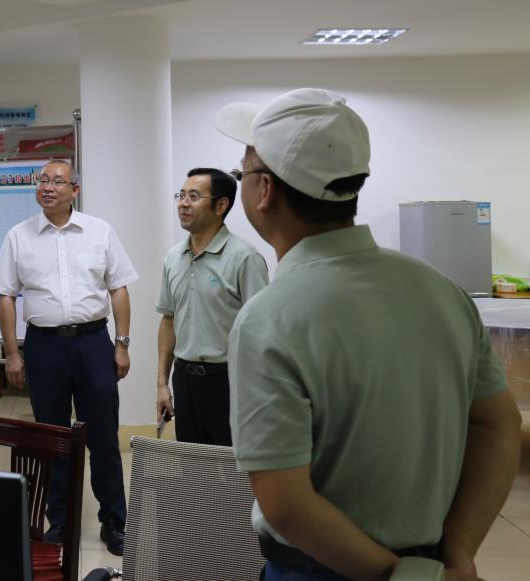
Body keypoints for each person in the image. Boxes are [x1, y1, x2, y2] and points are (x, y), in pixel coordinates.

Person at [216, 88, 522, 580]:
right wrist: (458, 552)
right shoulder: (440, 290)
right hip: (433, 559)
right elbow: (499, 424)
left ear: (265, 190)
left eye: (242, 172)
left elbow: (287, 506)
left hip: (320, 570)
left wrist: (400, 576)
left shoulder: (269, 318)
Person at [0, 159, 137, 556]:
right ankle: (59, 520)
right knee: (51, 436)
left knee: (103, 437)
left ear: (75, 189)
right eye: (43, 180)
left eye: (57, 181)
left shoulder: (99, 231)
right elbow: (6, 296)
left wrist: (121, 343)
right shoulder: (19, 236)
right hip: (44, 346)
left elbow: (119, 289)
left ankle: (114, 521)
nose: (48, 187)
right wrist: (12, 353)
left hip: (93, 343)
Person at [155, 168, 267, 445]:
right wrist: (162, 384)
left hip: (228, 381)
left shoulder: (245, 258)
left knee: (231, 466)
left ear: (221, 206)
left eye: (194, 196)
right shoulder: (173, 258)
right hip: (185, 379)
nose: (183, 204)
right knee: (192, 465)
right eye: (181, 195)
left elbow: (261, 332)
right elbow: (168, 321)